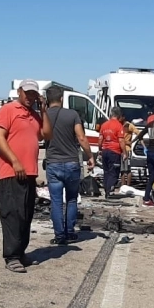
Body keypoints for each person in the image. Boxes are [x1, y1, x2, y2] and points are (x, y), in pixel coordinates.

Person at [0, 79, 53, 273]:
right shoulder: (8, 110)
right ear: (19, 92)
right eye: (27, 93)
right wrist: (15, 161)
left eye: (34, 94)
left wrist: (44, 110)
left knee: (26, 214)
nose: (30, 97)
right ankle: (11, 256)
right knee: (12, 213)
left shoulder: (34, 115)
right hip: (11, 171)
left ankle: (20, 253)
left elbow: (47, 135)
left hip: (29, 173)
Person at [44, 86, 94, 245]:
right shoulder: (72, 114)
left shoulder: (43, 117)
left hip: (53, 164)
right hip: (72, 163)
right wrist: (90, 156)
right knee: (72, 199)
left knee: (56, 201)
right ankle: (70, 232)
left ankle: (59, 236)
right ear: (61, 98)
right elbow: (81, 137)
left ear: (47, 99)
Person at [98, 107, 126, 198]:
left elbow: (100, 139)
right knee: (113, 172)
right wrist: (124, 152)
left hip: (105, 151)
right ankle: (109, 190)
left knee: (106, 171)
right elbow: (121, 141)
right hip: (114, 152)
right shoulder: (119, 125)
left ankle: (106, 190)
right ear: (119, 115)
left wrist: (100, 149)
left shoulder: (104, 125)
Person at [120, 119, 137, 187]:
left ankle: (128, 185)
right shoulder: (119, 125)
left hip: (127, 150)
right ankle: (122, 185)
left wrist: (131, 141)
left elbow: (138, 133)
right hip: (121, 149)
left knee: (128, 169)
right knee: (122, 169)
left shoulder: (129, 125)